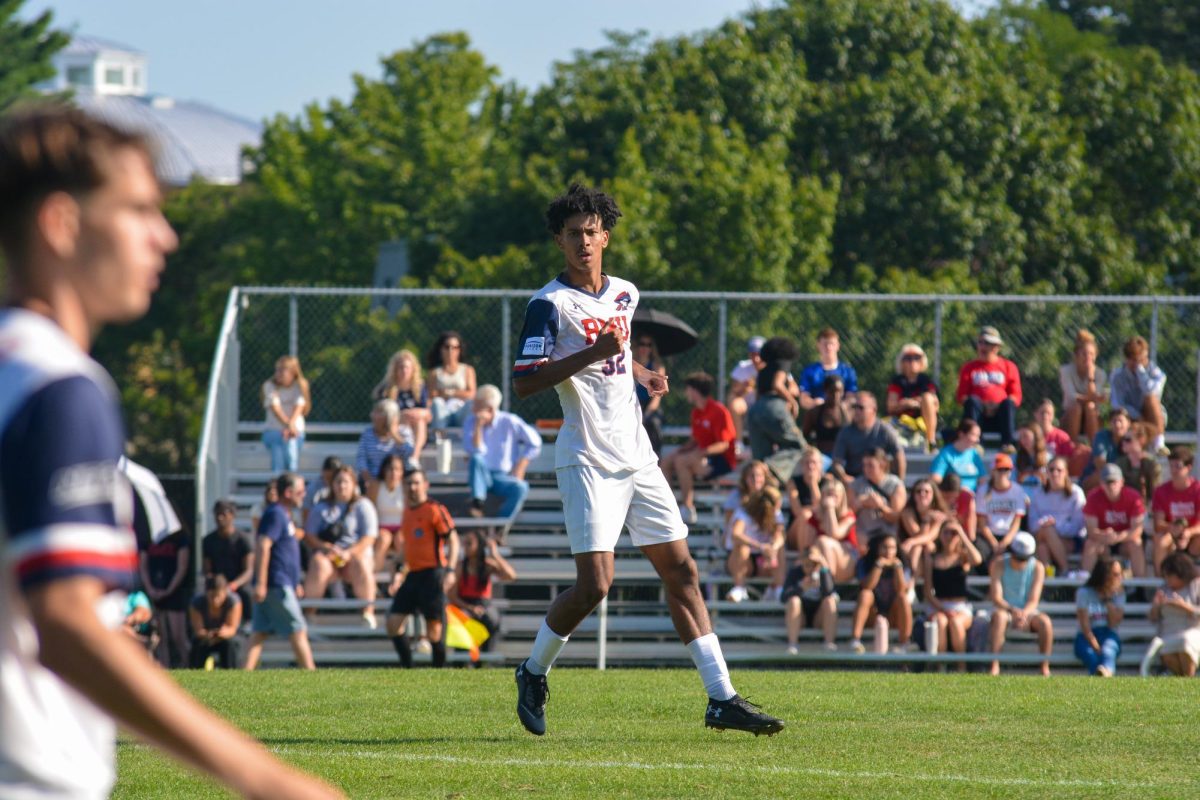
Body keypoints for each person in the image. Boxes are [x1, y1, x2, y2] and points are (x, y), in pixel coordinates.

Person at [0, 106, 338, 798]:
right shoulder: (61, 389)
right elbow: (62, 624)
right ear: (62, 224)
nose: (166, 236)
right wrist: (268, 778)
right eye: (138, 209)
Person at [509, 185, 783, 736]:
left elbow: (621, 351)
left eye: (591, 232)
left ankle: (721, 698)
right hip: (587, 458)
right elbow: (524, 383)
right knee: (595, 586)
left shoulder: (626, 293)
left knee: (681, 569)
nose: (583, 241)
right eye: (572, 234)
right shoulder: (549, 304)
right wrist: (594, 354)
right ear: (559, 241)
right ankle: (533, 670)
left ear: (605, 236)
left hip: (637, 454)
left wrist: (642, 374)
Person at [386, 468, 460, 668]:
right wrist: (396, 570)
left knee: (434, 632)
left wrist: (451, 571)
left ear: (425, 485)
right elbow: (406, 550)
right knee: (393, 623)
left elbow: (453, 539)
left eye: (416, 482)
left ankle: (439, 673)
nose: (412, 487)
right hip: (413, 576)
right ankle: (407, 668)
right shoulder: (407, 513)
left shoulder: (434, 509)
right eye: (409, 483)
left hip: (433, 574)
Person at [244, 472, 317, 672]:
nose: (304, 495)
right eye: (301, 491)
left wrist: (295, 583)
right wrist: (261, 582)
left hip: (281, 582)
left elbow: (285, 553)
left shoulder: (284, 514)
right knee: (298, 630)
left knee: (259, 633)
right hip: (275, 584)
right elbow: (263, 545)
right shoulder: (276, 513)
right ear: (288, 492)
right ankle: (312, 675)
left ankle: (242, 675)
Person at [303, 464, 380, 628]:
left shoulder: (363, 506)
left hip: (354, 555)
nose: (342, 486)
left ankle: (368, 612)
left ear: (353, 484)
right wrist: (326, 547)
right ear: (332, 485)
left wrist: (349, 553)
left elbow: (369, 537)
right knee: (318, 563)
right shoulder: (321, 507)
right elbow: (309, 535)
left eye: (345, 482)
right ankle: (309, 613)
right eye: (338, 482)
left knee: (362, 563)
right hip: (329, 555)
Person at [659, 372, 737, 524]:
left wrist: (699, 453)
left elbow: (724, 444)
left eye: (687, 389)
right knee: (667, 461)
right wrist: (681, 450)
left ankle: (688, 508)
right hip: (703, 456)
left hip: (722, 460)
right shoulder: (696, 412)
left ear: (695, 390)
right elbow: (695, 439)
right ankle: (668, 506)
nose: (686, 393)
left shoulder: (718, 411)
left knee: (682, 462)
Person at [461, 384, 543, 519]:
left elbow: (535, 442)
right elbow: (476, 451)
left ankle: (499, 527)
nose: (473, 409)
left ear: (490, 409)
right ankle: (477, 504)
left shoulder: (510, 421)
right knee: (476, 458)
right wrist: (478, 427)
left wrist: (521, 465)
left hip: (503, 477)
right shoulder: (471, 422)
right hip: (480, 477)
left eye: (477, 406)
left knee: (521, 487)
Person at [986, 532, 1052, 676]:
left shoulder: (1038, 567)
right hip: (1004, 609)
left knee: (1045, 622)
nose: (1020, 561)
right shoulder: (998, 564)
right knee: (1000, 617)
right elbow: (996, 597)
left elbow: (1033, 600)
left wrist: (1023, 613)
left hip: (1027, 611)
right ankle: (994, 664)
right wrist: (1013, 610)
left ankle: (1044, 667)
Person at [746, 335, 806, 484]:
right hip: (774, 405)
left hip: (755, 410)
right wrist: (792, 401)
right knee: (798, 447)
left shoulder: (762, 370)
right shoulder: (782, 363)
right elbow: (777, 384)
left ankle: (763, 475)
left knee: (760, 456)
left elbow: (758, 394)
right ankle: (769, 467)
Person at [449, 530, 517, 654]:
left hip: (484, 604)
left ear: (479, 545)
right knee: (463, 621)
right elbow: (452, 595)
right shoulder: (460, 566)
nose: (465, 547)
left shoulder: (487, 565)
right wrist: (470, 607)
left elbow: (511, 576)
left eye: (469, 544)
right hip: (464, 604)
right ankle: (462, 660)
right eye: (464, 544)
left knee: (493, 620)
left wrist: (495, 555)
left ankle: (486, 658)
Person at [954, 325, 1021, 447]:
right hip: (978, 415)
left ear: (996, 347)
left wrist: (995, 407)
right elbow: (961, 397)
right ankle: (974, 443)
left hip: (1000, 417)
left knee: (1008, 404)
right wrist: (984, 406)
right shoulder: (969, 368)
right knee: (972, 401)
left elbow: (1016, 396)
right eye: (980, 342)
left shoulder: (1008, 366)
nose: (983, 346)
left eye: (987, 343)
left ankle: (1008, 445)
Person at [924, 520, 983, 657]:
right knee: (941, 621)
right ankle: (941, 666)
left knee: (956, 622)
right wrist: (944, 609)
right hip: (939, 605)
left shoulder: (962, 557)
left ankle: (961, 665)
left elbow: (978, 559)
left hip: (960, 606)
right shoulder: (932, 559)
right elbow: (928, 592)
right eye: (946, 532)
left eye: (953, 533)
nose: (949, 536)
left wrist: (961, 533)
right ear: (940, 535)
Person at [848, 533, 913, 654]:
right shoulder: (865, 562)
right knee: (865, 594)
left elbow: (902, 590)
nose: (888, 551)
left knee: (903, 598)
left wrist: (898, 568)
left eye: (892, 548)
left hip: (893, 616)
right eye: (884, 547)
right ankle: (855, 640)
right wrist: (878, 566)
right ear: (876, 548)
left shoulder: (904, 563)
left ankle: (905, 642)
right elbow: (867, 586)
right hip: (872, 615)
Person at [138, 522, 191, 669]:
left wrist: (169, 590)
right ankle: (165, 668)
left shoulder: (179, 538)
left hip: (174, 591)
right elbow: (143, 565)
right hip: (154, 589)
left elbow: (182, 567)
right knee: (160, 636)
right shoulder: (148, 537)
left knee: (177, 636)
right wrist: (150, 589)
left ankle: (187, 666)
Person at [1082, 464, 1147, 578]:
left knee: (1136, 543)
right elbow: (1091, 531)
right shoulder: (1093, 497)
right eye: (1108, 482)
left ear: (1122, 481)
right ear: (1101, 483)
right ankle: (1086, 582)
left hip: (1125, 541)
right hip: (1103, 541)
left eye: (1114, 481)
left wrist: (1118, 536)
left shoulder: (1133, 497)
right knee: (1090, 544)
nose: (1111, 486)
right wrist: (1105, 536)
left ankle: (1140, 587)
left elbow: (1137, 530)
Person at [724, 486, 785, 603]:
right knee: (743, 547)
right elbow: (736, 535)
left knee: (780, 548)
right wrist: (761, 547)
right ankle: (739, 587)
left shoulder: (776, 513)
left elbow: (780, 536)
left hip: (765, 561)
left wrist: (772, 548)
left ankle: (778, 588)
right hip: (740, 562)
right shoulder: (743, 513)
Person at [1028, 456, 1087, 576]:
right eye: (1051, 469)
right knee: (1045, 535)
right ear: (1047, 473)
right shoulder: (1038, 493)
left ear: (1066, 473)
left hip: (1071, 540)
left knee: (1043, 546)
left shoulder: (1076, 493)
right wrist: (1045, 524)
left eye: (1059, 470)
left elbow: (1078, 526)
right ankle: (1062, 573)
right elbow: (1032, 523)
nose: (1055, 473)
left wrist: (1056, 526)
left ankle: (1054, 576)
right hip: (1042, 534)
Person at [372, 349, 432, 464]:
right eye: (401, 367)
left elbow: (428, 413)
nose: (404, 371)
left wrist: (415, 413)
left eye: (407, 367)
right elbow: (381, 412)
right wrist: (402, 415)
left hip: (416, 427)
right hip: (394, 428)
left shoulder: (420, 387)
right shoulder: (387, 388)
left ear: (413, 369)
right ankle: (407, 454)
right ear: (395, 369)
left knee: (420, 421)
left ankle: (414, 456)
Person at [830, 391, 905, 483]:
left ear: (873, 410)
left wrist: (899, 483)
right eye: (854, 407)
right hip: (855, 480)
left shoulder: (885, 431)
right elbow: (837, 463)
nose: (856, 411)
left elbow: (899, 456)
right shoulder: (845, 432)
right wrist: (845, 478)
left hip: (880, 480)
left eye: (861, 408)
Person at [1109, 335, 1167, 453]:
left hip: (1153, 417)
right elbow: (1117, 404)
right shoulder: (1117, 376)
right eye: (1137, 360)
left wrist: (1141, 373)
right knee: (1121, 417)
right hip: (1130, 418)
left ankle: (1159, 443)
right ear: (1127, 359)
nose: (1142, 363)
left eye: (1144, 358)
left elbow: (1152, 391)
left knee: (1150, 397)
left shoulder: (1155, 372)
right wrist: (1136, 415)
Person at [1149, 552, 1200, 677]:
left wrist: (1183, 606)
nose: (1167, 579)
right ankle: (1184, 683)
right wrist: (1157, 605)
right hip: (1168, 633)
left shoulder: (1195, 586)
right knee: (1166, 649)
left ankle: (1188, 681)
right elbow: (1153, 617)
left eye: (1169, 575)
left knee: (1185, 643)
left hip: (1192, 631)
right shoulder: (1163, 590)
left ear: (1180, 572)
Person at [1151, 446, 1200, 573]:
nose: (1173, 470)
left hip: (1193, 536)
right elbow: (1158, 524)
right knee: (1160, 540)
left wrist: (1188, 532)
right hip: (1171, 535)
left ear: (1188, 467)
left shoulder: (1198, 490)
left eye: (1177, 466)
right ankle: (1161, 581)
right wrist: (1172, 528)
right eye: (1171, 466)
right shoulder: (1161, 491)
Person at [1074, 556, 1125, 677]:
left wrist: (1108, 600)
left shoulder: (1119, 594)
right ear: (1104, 575)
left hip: (1109, 634)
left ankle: (1104, 674)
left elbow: (1114, 623)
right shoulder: (1084, 593)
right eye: (1115, 574)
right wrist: (1096, 646)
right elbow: (1085, 625)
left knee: (1108, 651)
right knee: (1090, 655)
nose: (1120, 578)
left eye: (1120, 574)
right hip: (1086, 636)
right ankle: (1104, 674)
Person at [202, 498, 255, 615]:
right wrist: (216, 583)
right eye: (217, 514)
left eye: (223, 514)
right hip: (216, 584)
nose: (219, 518)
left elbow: (248, 571)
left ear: (232, 515)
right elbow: (207, 568)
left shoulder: (243, 540)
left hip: (238, 584)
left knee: (246, 594)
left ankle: (247, 624)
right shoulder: (208, 541)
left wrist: (233, 585)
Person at [802, 478, 859, 582]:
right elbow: (807, 547)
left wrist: (830, 509)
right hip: (821, 560)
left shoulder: (849, 517)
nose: (831, 499)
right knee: (817, 546)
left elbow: (833, 534)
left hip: (846, 562)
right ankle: (822, 583)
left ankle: (828, 584)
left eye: (835, 496)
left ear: (842, 498)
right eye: (829, 495)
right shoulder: (814, 518)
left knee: (824, 541)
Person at [886, 342, 939, 451]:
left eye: (917, 358)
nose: (912, 362)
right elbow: (891, 406)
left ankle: (931, 442)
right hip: (902, 421)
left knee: (928, 398)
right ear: (902, 362)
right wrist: (906, 404)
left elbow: (935, 405)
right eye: (908, 358)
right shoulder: (897, 382)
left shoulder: (926, 381)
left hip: (923, 421)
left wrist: (913, 402)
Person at [976, 453, 1027, 564]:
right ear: (993, 471)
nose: (1003, 473)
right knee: (981, 553)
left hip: (1010, 535)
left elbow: (1016, 522)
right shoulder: (983, 490)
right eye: (1000, 469)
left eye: (1007, 469)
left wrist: (1005, 542)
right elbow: (982, 523)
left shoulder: (1017, 491)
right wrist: (993, 542)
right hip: (989, 534)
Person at [261, 354, 310, 472]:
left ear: (293, 372)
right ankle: (281, 479)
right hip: (273, 433)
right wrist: (288, 426)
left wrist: (290, 428)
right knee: (279, 445)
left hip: (295, 433)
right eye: (277, 370)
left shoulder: (300, 386)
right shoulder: (269, 386)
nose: (277, 373)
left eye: (282, 370)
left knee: (289, 442)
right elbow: (275, 408)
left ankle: (290, 476)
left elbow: (298, 408)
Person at [848, 448, 907, 543]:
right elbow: (848, 513)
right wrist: (861, 502)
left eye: (870, 465)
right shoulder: (855, 485)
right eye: (864, 465)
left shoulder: (895, 484)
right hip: (862, 535)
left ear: (882, 464)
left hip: (887, 535)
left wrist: (881, 506)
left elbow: (896, 517)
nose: (866, 469)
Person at [1060, 329, 1107, 442]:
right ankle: (1071, 446)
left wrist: (1091, 376)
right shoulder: (1065, 371)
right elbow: (1072, 397)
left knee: (1090, 407)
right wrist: (1094, 398)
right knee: (1077, 407)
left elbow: (1094, 398)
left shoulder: (1100, 374)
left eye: (1091, 354)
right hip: (1071, 415)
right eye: (1084, 354)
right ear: (1076, 355)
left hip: (1092, 417)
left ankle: (1094, 446)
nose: (1088, 357)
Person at [188, 574, 243, 669]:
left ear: (225, 593)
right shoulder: (196, 603)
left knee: (230, 644)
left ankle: (231, 672)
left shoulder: (233, 602)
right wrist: (208, 635)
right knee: (198, 644)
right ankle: (195, 671)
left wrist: (221, 634)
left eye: (218, 596)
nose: (215, 600)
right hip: (206, 637)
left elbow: (232, 629)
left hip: (225, 638)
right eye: (212, 596)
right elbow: (199, 630)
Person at [356, 398, 415, 488]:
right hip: (373, 481)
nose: (372, 416)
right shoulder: (367, 434)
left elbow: (409, 453)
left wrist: (394, 434)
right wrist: (370, 480)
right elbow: (361, 460)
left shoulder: (404, 432)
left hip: (398, 482)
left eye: (378, 413)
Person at [426, 330, 477, 432]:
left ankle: (467, 440)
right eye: (446, 347)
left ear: (459, 350)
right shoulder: (434, 373)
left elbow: (471, 394)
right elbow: (432, 395)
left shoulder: (467, 370)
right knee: (437, 402)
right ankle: (439, 440)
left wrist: (448, 393)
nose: (450, 350)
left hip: (461, 410)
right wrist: (460, 393)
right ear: (440, 349)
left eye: (455, 347)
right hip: (442, 411)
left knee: (471, 404)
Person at [798, 327, 858, 412]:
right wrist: (815, 403)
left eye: (832, 344)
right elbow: (803, 399)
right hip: (817, 416)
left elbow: (851, 398)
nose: (828, 347)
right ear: (818, 345)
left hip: (842, 417)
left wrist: (839, 406)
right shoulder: (810, 371)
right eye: (825, 344)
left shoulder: (848, 371)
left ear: (838, 345)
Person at [898, 478, 948, 574]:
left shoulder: (939, 513)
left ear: (933, 494)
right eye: (918, 491)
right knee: (921, 547)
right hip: (916, 548)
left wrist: (911, 542)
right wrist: (926, 520)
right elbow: (916, 534)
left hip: (934, 547)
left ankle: (913, 582)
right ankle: (915, 582)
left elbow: (932, 535)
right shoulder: (907, 512)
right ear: (913, 494)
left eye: (927, 491)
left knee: (924, 547)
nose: (922, 494)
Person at [368, 453, 406, 572]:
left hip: (402, 529)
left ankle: (403, 577)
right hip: (381, 529)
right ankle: (373, 575)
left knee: (401, 540)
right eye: (390, 469)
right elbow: (369, 511)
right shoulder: (375, 487)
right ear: (384, 470)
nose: (394, 473)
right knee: (383, 539)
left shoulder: (406, 487)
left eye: (397, 469)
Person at [726, 335, 765, 448]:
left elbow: (791, 386)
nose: (756, 358)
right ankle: (739, 442)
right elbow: (734, 390)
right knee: (733, 401)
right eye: (753, 354)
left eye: (759, 354)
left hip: (765, 404)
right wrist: (744, 387)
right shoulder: (743, 367)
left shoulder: (773, 367)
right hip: (747, 405)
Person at [633, 333, 668, 455]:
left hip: (650, 406)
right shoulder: (630, 364)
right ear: (636, 346)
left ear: (652, 348)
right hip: (632, 404)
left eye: (648, 345)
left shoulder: (657, 366)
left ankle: (656, 457)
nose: (644, 348)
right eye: (642, 344)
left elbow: (657, 399)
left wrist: (645, 414)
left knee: (653, 423)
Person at [929, 419, 986, 488]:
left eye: (978, 436)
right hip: (953, 495)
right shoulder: (946, 454)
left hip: (974, 496)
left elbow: (983, 478)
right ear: (961, 434)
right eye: (974, 435)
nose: (977, 440)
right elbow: (935, 478)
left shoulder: (974, 454)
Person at [1084, 407, 1131, 489]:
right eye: (1114, 421)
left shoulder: (1132, 439)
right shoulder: (1101, 436)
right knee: (1103, 474)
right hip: (1100, 477)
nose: (1117, 425)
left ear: (1128, 423)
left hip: (1123, 478)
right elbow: (1100, 465)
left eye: (1120, 421)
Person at [802, 375, 847, 457]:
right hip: (821, 456)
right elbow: (804, 436)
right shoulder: (814, 412)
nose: (836, 396)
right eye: (832, 391)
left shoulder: (848, 412)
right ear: (825, 391)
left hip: (842, 456)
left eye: (839, 391)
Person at [1114, 421, 1160, 504]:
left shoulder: (1151, 464)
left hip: (1144, 507)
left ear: (1141, 440)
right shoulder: (1120, 463)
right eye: (1123, 439)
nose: (1123, 443)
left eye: (1128, 440)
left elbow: (1154, 492)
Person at [938, 472, 978, 543]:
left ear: (959, 492)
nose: (951, 500)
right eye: (947, 497)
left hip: (961, 534)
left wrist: (972, 541)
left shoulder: (966, 497)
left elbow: (969, 519)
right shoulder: (937, 496)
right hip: (939, 533)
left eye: (954, 497)